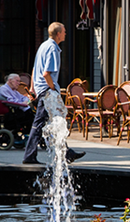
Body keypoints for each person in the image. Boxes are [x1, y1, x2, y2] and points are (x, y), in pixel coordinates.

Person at [22, 23, 85, 165]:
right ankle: (29, 156)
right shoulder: (52, 49)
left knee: (56, 121)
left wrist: (32, 88)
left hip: (41, 90)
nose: (65, 34)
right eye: (64, 31)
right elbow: (46, 73)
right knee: (40, 124)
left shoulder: (43, 46)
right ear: (58, 34)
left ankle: (66, 152)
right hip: (47, 91)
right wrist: (53, 89)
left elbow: (35, 69)